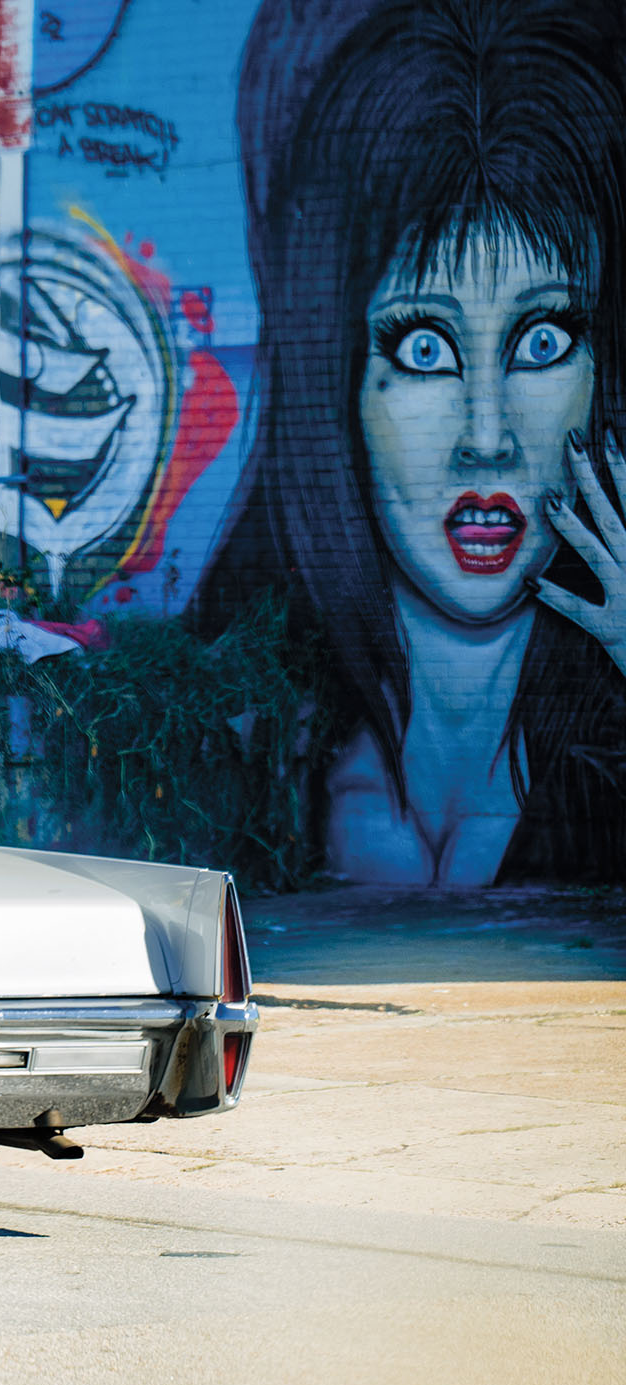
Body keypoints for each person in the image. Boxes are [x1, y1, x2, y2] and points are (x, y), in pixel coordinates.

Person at [197, 0, 626, 884]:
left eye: (542, 341)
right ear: (339, 374)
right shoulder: (249, 725)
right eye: (423, 348)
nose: (486, 439)